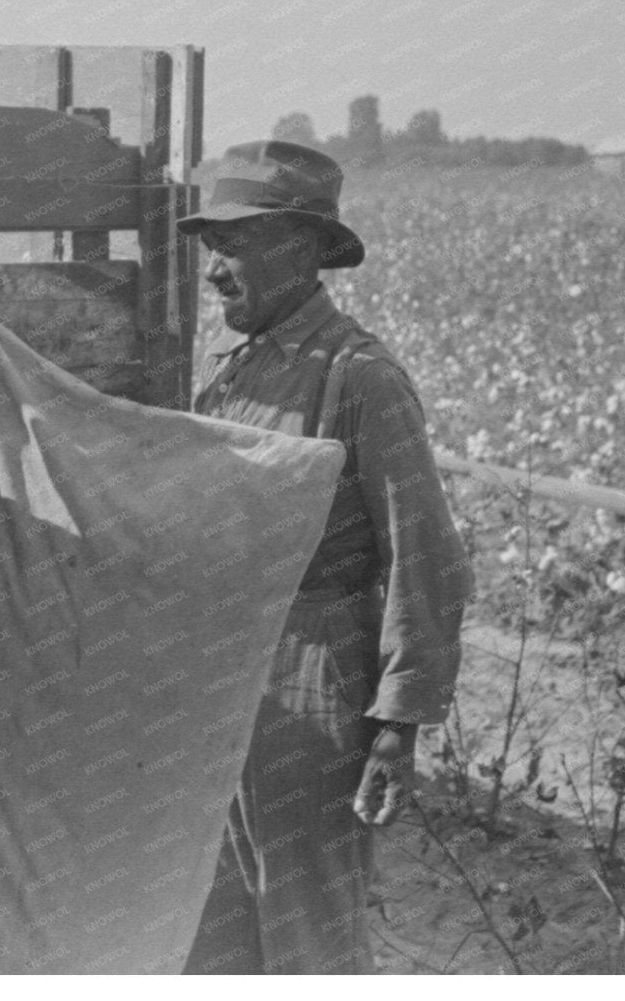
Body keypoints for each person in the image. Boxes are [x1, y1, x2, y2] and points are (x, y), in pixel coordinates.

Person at [178, 139, 471, 974]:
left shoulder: (360, 377)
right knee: (215, 918)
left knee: (308, 927)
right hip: (230, 669)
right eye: (210, 246)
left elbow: (425, 555)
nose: (214, 270)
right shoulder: (229, 374)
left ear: (301, 248)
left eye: (233, 244)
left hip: (315, 670)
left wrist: (395, 725)